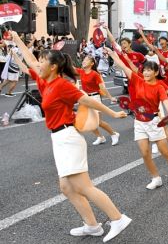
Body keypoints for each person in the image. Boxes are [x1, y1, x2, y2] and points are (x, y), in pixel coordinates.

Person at [11, 31, 131, 242]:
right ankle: (92, 226)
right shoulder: (45, 82)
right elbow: (29, 59)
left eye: (42, 60)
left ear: (53, 66)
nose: (38, 63)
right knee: (66, 187)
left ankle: (118, 218)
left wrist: (112, 113)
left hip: (68, 138)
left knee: (84, 186)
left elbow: (87, 100)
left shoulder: (62, 85)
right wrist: (16, 39)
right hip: (58, 139)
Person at [106, 48, 168, 191]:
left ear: (156, 72)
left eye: (149, 70)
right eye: (144, 70)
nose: (145, 73)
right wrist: (113, 54)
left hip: (154, 122)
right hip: (139, 121)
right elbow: (123, 66)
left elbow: (167, 102)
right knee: (144, 153)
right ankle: (156, 178)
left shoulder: (159, 87)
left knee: (165, 152)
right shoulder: (137, 80)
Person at [76, 55, 120, 146]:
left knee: (99, 122)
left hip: (95, 97)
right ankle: (100, 137)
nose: (84, 61)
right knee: (89, 121)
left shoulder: (95, 74)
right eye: (83, 59)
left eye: (86, 60)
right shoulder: (81, 71)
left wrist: (110, 97)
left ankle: (114, 134)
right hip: (86, 98)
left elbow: (102, 88)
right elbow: (69, 67)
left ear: (92, 64)